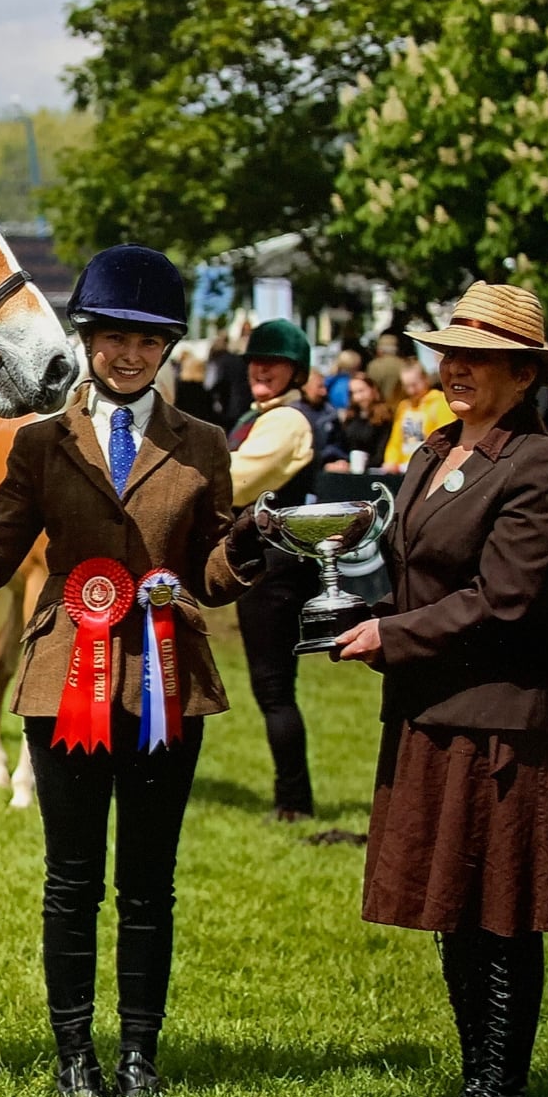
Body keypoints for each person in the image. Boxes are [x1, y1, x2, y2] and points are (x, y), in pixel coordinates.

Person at [0, 244, 266, 1097]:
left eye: (146, 341)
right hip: (60, 684)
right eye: (112, 337)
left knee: (150, 881)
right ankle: (75, 1055)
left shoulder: (204, 445)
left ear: (168, 348)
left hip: (166, 685)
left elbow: (211, 575)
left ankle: (140, 1057)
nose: (127, 354)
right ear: (86, 341)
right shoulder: (42, 445)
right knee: (71, 879)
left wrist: (250, 550)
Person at [337, 281, 548, 1097]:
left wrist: (392, 634)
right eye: (449, 352)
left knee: (503, 910)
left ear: (524, 376)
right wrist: (352, 602)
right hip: (433, 710)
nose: (455, 368)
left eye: (477, 357)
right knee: (454, 904)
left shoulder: (542, 466)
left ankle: (501, 1088)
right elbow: (415, 567)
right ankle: (476, 1078)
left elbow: (506, 600)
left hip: (505, 722)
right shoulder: (433, 449)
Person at [227, 319, 319, 821]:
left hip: (277, 565)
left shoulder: (288, 422)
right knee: (273, 689)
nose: (261, 369)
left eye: (274, 363)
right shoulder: (257, 415)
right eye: (255, 361)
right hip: (262, 562)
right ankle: (291, 797)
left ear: (295, 371)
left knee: (275, 688)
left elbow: (239, 481)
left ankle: (293, 801)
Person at [382, 361, 455, 471]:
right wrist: (391, 461)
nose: (411, 390)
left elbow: (445, 438)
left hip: (428, 466)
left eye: (414, 385)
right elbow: (396, 440)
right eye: (407, 386)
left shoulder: (441, 402)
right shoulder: (404, 406)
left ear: (425, 379)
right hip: (403, 467)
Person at [334, 371, 393, 469]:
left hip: (373, 470)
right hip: (351, 470)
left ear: (373, 390)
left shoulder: (384, 418)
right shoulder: (351, 417)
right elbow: (344, 445)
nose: (358, 397)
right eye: (353, 393)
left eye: (361, 391)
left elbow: (381, 452)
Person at [365, 332, 407, 406]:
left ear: (380, 350)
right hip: (401, 407)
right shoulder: (405, 364)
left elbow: (371, 388)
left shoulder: (374, 366)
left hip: (381, 409)